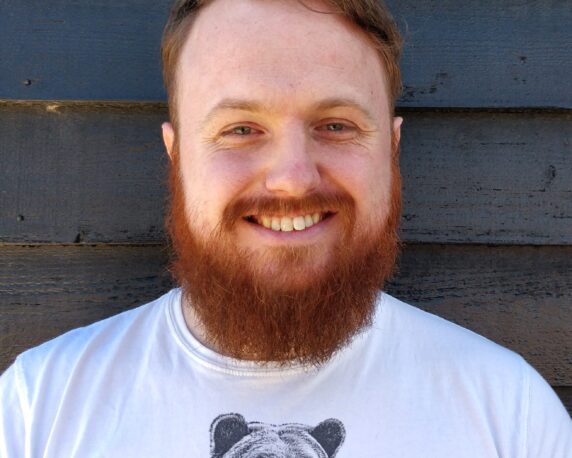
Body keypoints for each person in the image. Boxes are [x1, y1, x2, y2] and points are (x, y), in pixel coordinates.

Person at [1, 0, 570, 456]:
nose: (293, 180)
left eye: (336, 125)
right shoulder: (36, 411)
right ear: (176, 157)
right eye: (241, 129)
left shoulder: (510, 414)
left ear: (392, 149)